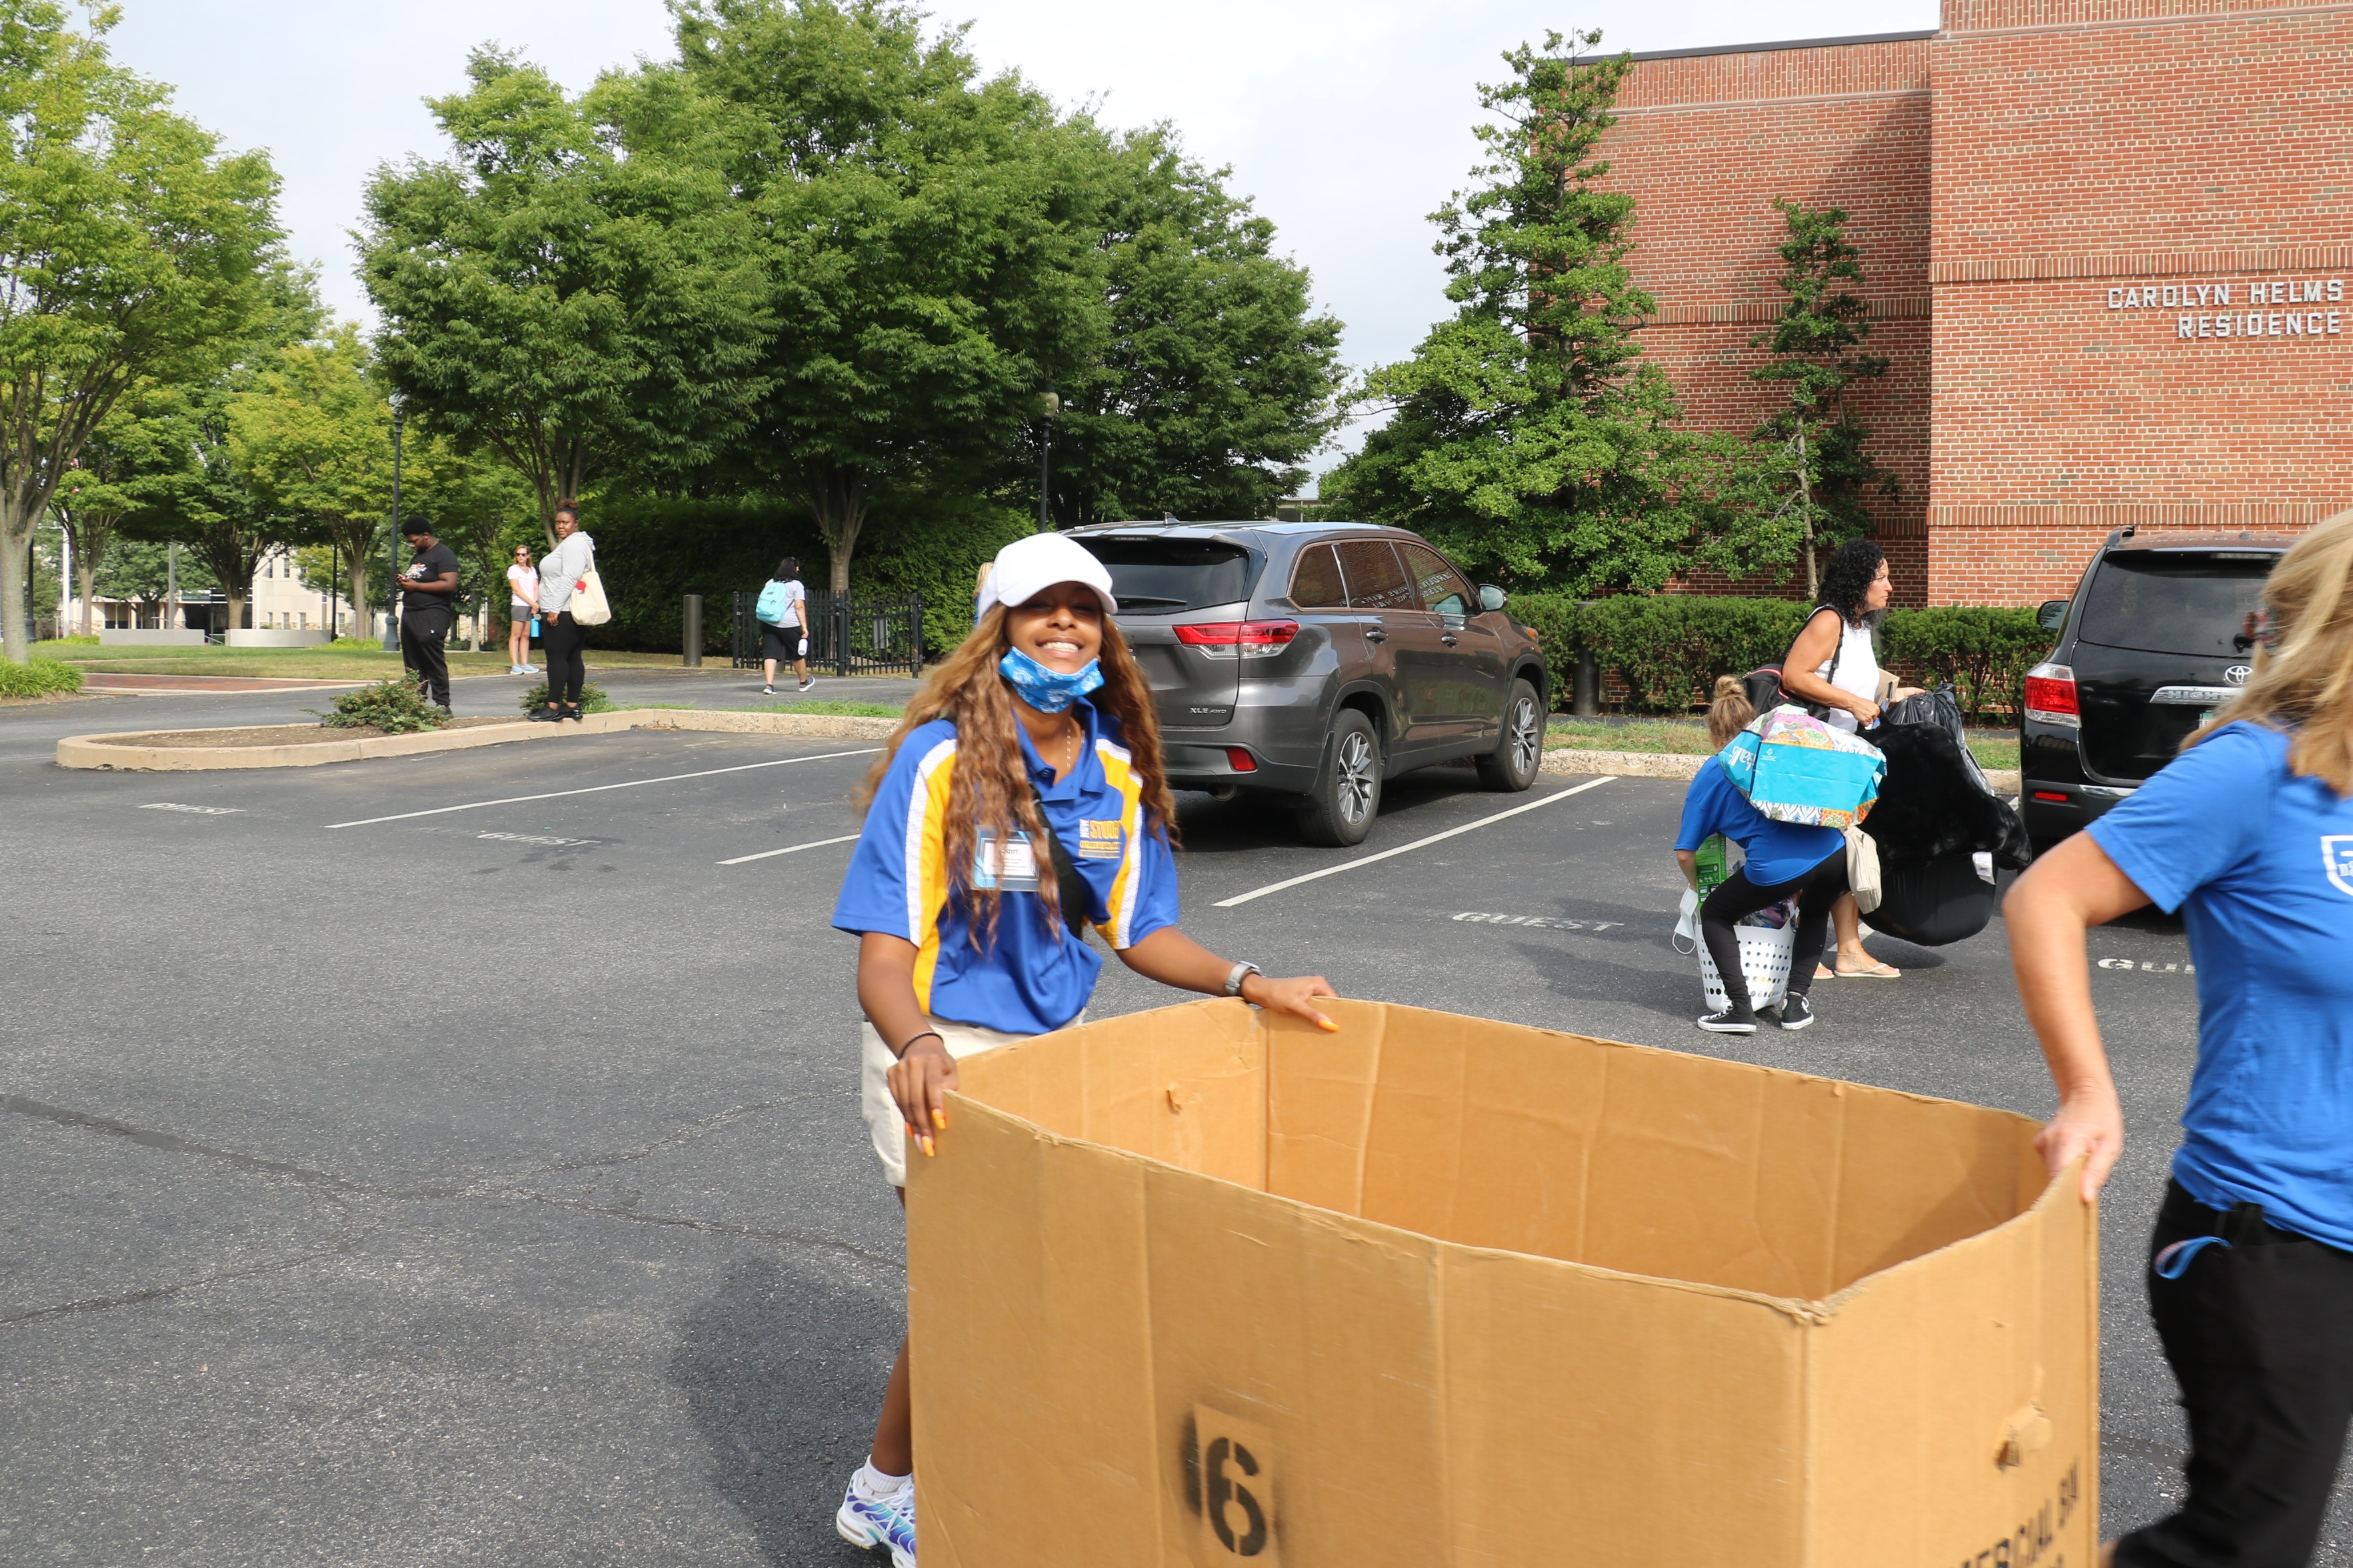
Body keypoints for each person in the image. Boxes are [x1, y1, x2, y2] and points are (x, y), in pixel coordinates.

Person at [829, 530, 1340, 1567]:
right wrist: (918, 1045)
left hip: (1050, 1059)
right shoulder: (938, 763)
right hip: (939, 1053)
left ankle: (918, 1475)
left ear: (1104, 632)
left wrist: (1252, 981)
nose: (1062, 623)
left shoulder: (1114, 768)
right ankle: (891, 1492)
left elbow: (1138, 929)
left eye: (1082, 608)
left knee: (1004, 1286)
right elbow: (882, 959)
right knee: (979, 1284)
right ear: (1000, 630)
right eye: (1038, 607)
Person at [2008, 510, 2353, 1568]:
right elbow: (2043, 901)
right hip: (2263, 1232)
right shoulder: (2251, 774)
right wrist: (2087, 1090)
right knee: (2246, 1543)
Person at [1778, 538, 1922, 980]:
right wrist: (1850, 702)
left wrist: (1894, 696)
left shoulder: (1859, 628)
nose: (1890, 586)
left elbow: (1859, 689)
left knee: (1847, 850)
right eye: (1881, 577)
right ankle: (1789, 949)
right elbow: (1793, 673)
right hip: (1814, 757)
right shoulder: (1829, 621)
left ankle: (1849, 950)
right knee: (1815, 853)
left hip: (1847, 757)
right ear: (1859, 581)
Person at [1673, 675, 1850, 1034]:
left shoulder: (1715, 769)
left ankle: (1740, 1009)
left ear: (1713, 729)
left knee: (1717, 914)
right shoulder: (1780, 752)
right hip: (1834, 851)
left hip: (1778, 865)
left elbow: (1685, 855)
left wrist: (1700, 889)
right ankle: (1796, 1005)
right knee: (1813, 914)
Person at [531, 502, 594, 723]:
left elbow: (570, 577)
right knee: (573, 656)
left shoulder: (574, 545)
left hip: (563, 610)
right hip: (567, 610)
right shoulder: (571, 544)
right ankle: (572, 706)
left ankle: (553, 707)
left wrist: (554, 608)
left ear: (576, 524)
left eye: (565, 522)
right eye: (558, 522)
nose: (560, 526)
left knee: (556, 657)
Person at [398, 523, 461, 714]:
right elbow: (418, 581)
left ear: (426, 535)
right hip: (411, 614)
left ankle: (442, 704)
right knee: (413, 663)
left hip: (432, 614)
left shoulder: (444, 554)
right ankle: (415, 702)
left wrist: (416, 587)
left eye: (414, 541)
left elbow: (449, 584)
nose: (412, 546)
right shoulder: (419, 556)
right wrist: (406, 583)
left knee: (432, 660)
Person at [756, 556, 811, 696]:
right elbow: (799, 607)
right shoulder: (796, 585)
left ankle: (769, 685)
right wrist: (804, 627)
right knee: (797, 655)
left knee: (770, 654)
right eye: (797, 567)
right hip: (789, 624)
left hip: (768, 623)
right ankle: (803, 683)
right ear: (794, 569)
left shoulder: (770, 583)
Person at [505, 546, 539, 676]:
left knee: (526, 635)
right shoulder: (513, 570)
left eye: (523, 555)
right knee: (516, 635)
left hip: (531, 605)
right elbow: (517, 590)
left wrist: (535, 603)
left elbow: (536, 587)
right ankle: (515, 665)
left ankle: (525, 663)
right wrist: (532, 603)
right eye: (518, 554)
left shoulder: (531, 570)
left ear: (528, 556)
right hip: (519, 605)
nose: (520, 557)